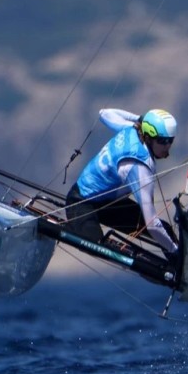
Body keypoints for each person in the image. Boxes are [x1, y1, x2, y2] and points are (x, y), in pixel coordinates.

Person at [65, 108, 179, 265]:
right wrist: (174, 251)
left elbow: (104, 113)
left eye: (170, 140)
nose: (167, 146)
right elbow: (152, 224)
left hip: (107, 204)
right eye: (162, 141)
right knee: (98, 246)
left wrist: (139, 119)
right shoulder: (139, 166)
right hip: (81, 202)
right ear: (148, 136)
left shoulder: (131, 130)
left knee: (165, 229)